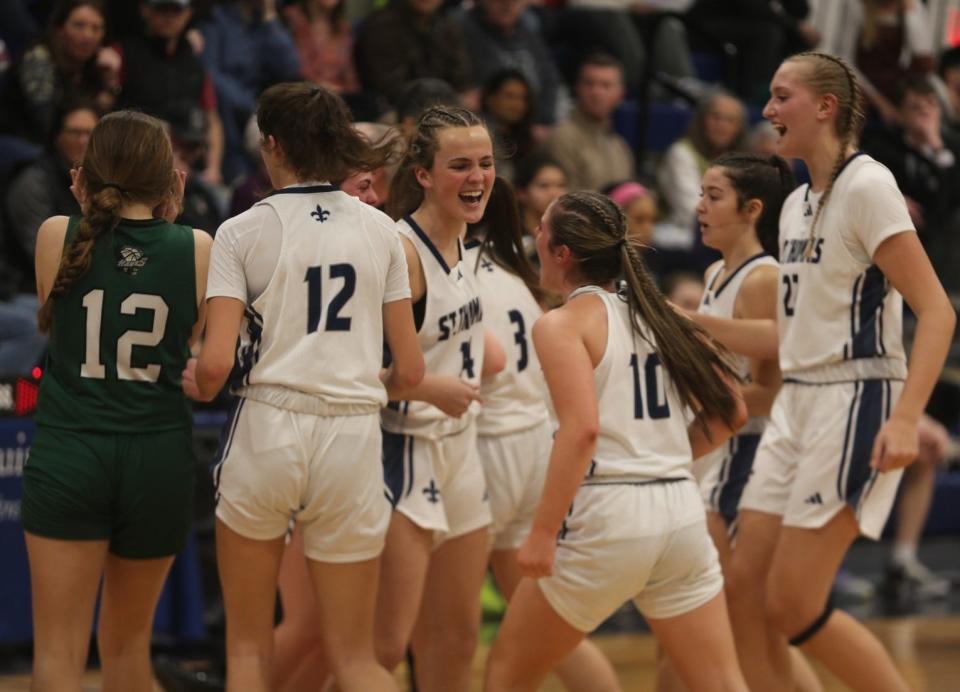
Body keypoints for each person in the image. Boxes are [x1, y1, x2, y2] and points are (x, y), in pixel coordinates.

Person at [712, 52, 954, 692]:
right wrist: (694, 327)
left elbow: (936, 312)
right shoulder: (795, 205)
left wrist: (907, 419)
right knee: (743, 591)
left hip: (855, 398)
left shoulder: (868, 187)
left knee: (792, 604)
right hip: (798, 402)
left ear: (825, 108)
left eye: (780, 95)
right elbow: (791, 336)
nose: (766, 110)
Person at [183, 82, 423, 692]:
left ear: (272, 144)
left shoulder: (241, 230)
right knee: (355, 657)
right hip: (352, 434)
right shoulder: (383, 232)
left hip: (269, 426)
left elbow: (213, 370)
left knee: (247, 650)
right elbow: (412, 373)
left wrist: (196, 379)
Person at [484, 189, 750, 692]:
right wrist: (662, 457)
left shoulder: (562, 324)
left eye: (542, 227)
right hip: (679, 511)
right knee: (719, 682)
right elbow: (732, 409)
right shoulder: (662, 313)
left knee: (507, 674)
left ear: (562, 253)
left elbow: (582, 430)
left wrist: (541, 533)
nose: (534, 235)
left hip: (610, 515)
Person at [21, 109, 210, 692]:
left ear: (83, 177)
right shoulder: (199, 246)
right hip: (157, 456)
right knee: (129, 653)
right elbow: (195, 356)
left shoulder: (58, 233)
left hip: (71, 452)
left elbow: (63, 321)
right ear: (170, 179)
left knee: (57, 657)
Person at [374, 105, 511, 692]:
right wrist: (430, 386)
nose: (477, 177)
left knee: (457, 640)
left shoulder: (464, 244)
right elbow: (345, 368)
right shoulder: (401, 253)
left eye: (485, 163)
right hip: (402, 451)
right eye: (459, 165)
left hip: (460, 449)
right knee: (380, 651)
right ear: (424, 174)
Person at [465, 188, 621, 692]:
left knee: (450, 625)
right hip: (536, 446)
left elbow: (486, 361)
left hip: (487, 447)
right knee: (540, 621)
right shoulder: (520, 276)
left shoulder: (446, 269)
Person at [0, 0, 119, 145]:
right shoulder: (38, 59)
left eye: (96, 28)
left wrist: (110, 82)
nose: (88, 36)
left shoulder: (94, 67)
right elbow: (47, 125)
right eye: (79, 25)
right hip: (24, 150)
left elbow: (102, 127)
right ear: (59, 30)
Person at [545, 53, 636, 192]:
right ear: (577, 88)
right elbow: (567, 201)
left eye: (606, 86)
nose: (597, 92)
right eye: (589, 84)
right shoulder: (562, 138)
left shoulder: (620, 146)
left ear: (620, 93)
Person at [514, 152, 568, 262]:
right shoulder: (511, 238)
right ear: (522, 193)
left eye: (561, 185)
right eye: (544, 185)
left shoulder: (569, 236)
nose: (554, 193)